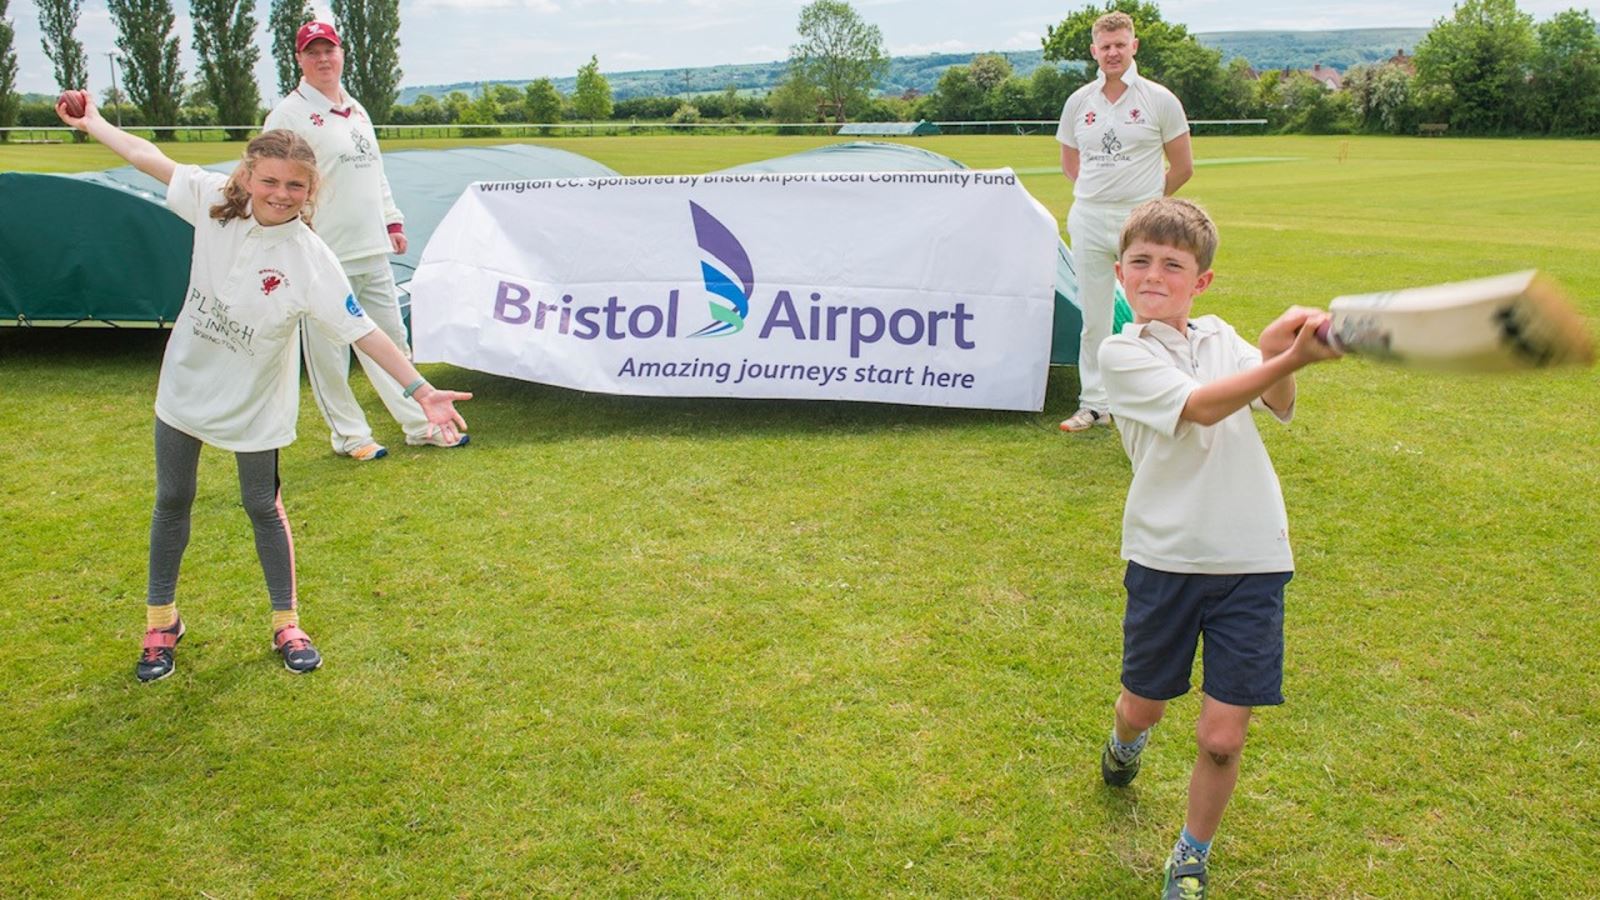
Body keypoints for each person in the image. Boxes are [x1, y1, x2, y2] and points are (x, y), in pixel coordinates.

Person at [55, 95, 472, 682]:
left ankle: (286, 622)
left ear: (310, 192)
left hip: (256, 403)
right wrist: (92, 121)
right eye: (270, 180)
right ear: (248, 176)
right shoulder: (211, 203)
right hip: (185, 388)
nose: (281, 193)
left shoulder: (310, 257)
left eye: (296, 186)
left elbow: (364, 329)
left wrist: (420, 390)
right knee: (172, 500)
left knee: (261, 505)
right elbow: (147, 156)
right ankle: (161, 621)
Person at [1094, 198, 1341, 899]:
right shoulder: (1122, 352)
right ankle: (1125, 742)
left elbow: (1277, 403)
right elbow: (1201, 408)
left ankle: (1191, 852)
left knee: (1223, 737)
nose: (1153, 275)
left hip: (1254, 558)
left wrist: (1273, 353)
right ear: (1119, 272)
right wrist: (1285, 355)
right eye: (1140, 261)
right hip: (1167, 559)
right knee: (1144, 704)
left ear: (1199, 281)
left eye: (1173, 265)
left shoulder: (1222, 337)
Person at [262, 21, 462, 461]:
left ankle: (420, 423)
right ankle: (350, 436)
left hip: (369, 245)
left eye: (328, 50)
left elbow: (374, 173)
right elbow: (271, 184)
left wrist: (391, 220)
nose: (322, 59)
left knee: (391, 339)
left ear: (341, 53)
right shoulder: (288, 116)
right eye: (312, 52)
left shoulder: (356, 109)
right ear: (298, 59)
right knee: (330, 350)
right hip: (320, 250)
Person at [1056, 11, 1194, 433]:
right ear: (1094, 51)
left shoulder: (1159, 98)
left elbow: (1183, 166)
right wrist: (1101, 196)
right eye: (1105, 46)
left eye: (1120, 44)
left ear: (1134, 46)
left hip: (1142, 222)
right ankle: (1095, 403)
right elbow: (1069, 163)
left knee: (1154, 311)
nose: (1113, 52)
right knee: (1094, 317)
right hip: (1089, 218)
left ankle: (1161, 397)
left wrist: (1144, 205)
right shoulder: (1080, 101)